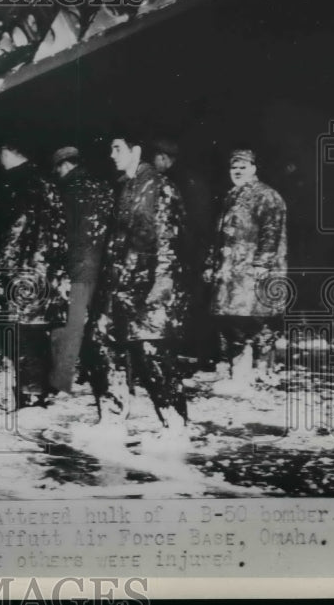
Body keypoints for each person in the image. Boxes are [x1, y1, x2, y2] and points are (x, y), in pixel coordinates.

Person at [81, 134, 189, 431]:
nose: (112, 154)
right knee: (100, 343)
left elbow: (166, 240)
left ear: (136, 150)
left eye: (118, 148)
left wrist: (158, 286)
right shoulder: (127, 186)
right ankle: (112, 417)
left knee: (151, 355)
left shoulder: (159, 186)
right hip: (121, 287)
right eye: (111, 148)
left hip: (148, 290)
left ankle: (175, 425)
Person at [0, 142, 68, 409]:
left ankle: (30, 394)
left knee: (22, 332)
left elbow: (14, 231)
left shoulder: (18, 184)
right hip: (44, 271)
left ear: (7, 152)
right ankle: (38, 390)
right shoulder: (47, 182)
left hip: (22, 272)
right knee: (36, 331)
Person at [204, 148, 288, 390]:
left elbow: (271, 232)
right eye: (234, 167)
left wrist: (262, 264)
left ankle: (263, 372)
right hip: (231, 273)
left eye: (243, 167)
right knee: (233, 322)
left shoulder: (267, 196)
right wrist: (210, 264)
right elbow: (219, 235)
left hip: (253, 272)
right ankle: (239, 371)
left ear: (254, 168)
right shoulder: (231, 195)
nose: (238, 171)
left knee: (259, 321)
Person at [48, 145, 114, 395]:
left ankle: (60, 381)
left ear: (64, 165)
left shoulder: (67, 190)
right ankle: (105, 377)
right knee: (100, 324)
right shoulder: (103, 186)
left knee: (69, 325)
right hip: (103, 265)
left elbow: (63, 233)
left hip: (77, 266)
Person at [151, 138, 215, 370]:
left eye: (155, 158)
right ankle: (198, 354)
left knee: (186, 304)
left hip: (185, 254)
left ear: (164, 158)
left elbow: (187, 222)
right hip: (193, 253)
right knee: (194, 304)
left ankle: (192, 355)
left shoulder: (173, 182)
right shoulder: (191, 179)